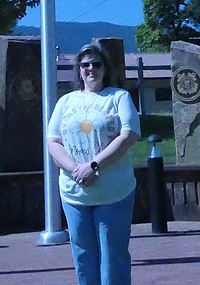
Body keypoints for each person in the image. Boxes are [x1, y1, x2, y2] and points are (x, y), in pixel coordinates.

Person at [46, 42, 141, 285]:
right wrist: (75, 169)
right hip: (75, 194)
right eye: (85, 64)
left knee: (113, 256)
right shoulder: (66, 101)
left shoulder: (119, 97)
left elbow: (128, 135)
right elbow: (53, 141)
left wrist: (94, 165)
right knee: (83, 256)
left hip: (114, 192)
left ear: (105, 68)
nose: (90, 69)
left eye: (96, 64)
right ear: (78, 70)